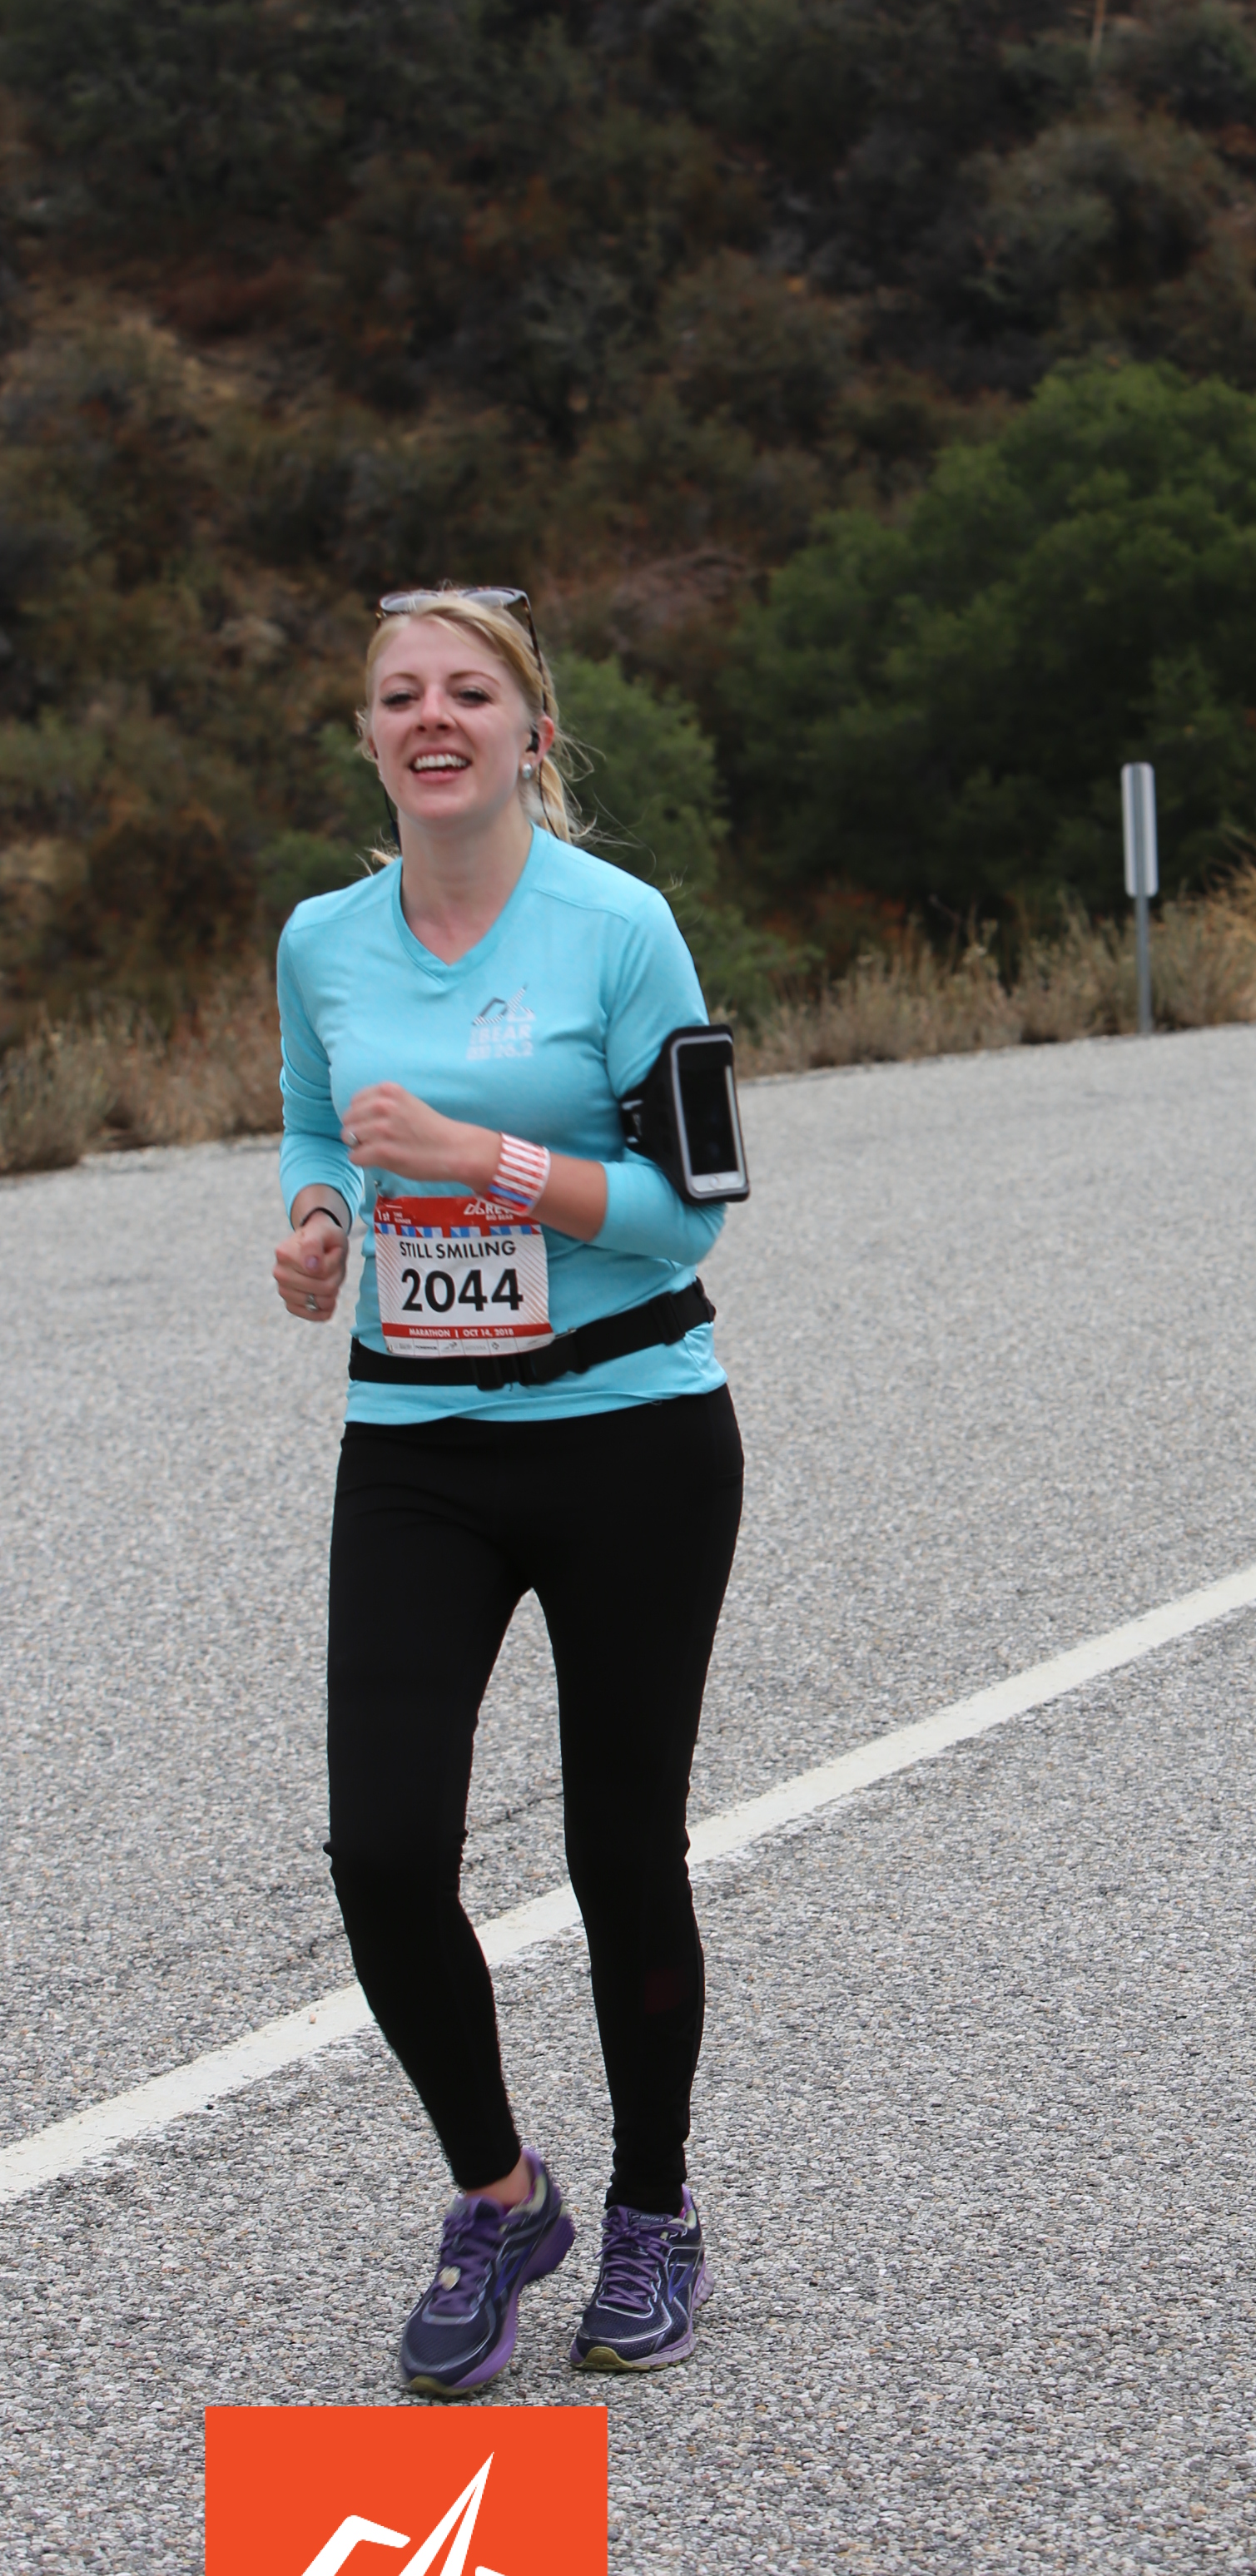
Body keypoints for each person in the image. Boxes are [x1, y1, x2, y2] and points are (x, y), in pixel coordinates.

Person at [272, 586, 744, 2396]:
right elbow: (315, 1124)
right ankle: (501, 2193)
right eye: (400, 694)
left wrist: (488, 1158)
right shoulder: (323, 940)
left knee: (619, 1847)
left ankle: (652, 2208)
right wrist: (320, 1219)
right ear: (369, 737)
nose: (432, 716)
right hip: (417, 1445)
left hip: (632, 1432)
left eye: (468, 690)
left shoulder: (622, 928)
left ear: (531, 733)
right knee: (384, 1850)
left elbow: (693, 1213)